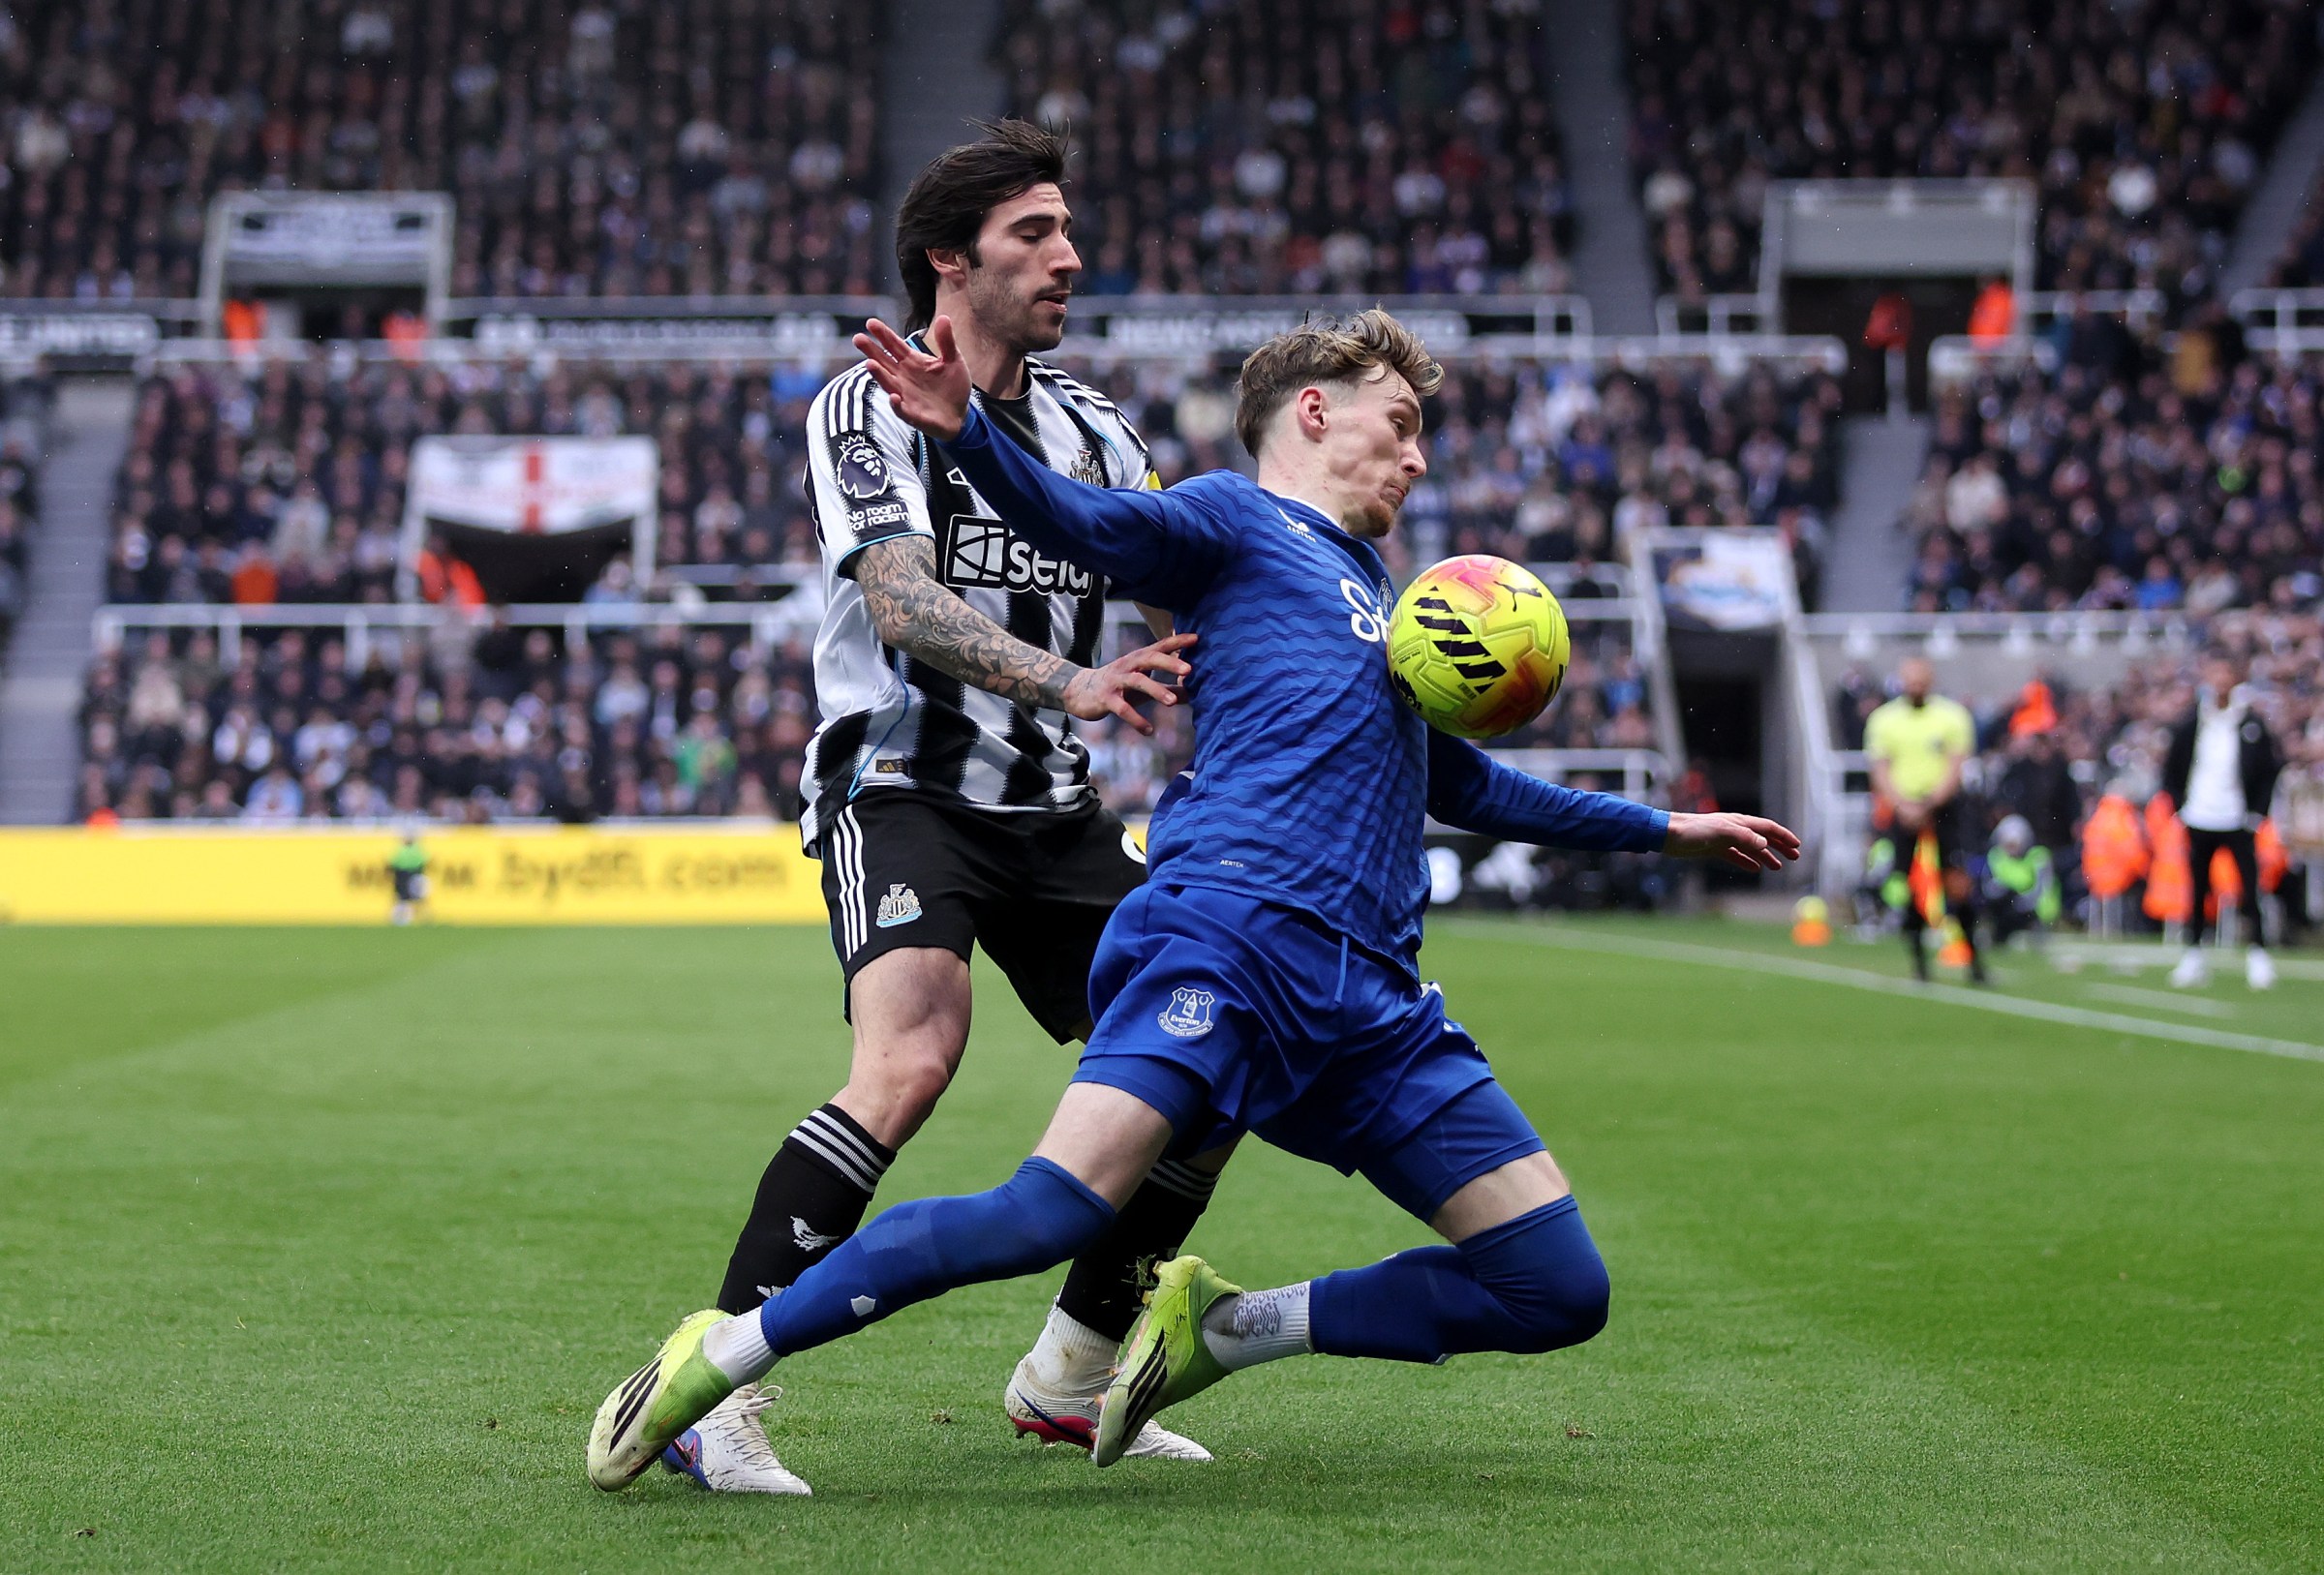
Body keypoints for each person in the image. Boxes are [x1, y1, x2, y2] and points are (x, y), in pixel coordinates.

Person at [585, 309, 1800, 1491]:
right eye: (1403, 421)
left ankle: (1224, 1330)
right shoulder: (1231, 519)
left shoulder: (1379, 597)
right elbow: (1082, 518)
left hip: (1371, 999)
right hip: (1224, 938)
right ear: (1315, 412)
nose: (1420, 453)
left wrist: (1666, 827)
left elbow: (1459, 777)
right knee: (1041, 1212)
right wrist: (966, 434)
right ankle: (723, 1354)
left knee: (1556, 1286)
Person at [670, 121, 1217, 1497]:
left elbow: (1185, 599)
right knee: (912, 1055)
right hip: (904, 784)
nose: (1069, 256)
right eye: (1034, 233)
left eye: (1068, 230)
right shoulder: (861, 402)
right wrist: (1069, 677)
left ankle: (1069, 1379)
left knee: (1209, 1056)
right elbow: (900, 600)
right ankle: (711, 1388)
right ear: (949, 257)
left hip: (1057, 807)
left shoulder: (1097, 429)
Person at [2161, 652, 2283, 989]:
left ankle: (2258, 955)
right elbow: (2172, 768)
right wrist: (2180, 808)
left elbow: (2269, 769)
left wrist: (2257, 812)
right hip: (2199, 816)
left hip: (2237, 818)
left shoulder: (2250, 723)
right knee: (2198, 889)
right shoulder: (2193, 722)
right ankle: (2193, 955)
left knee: (2249, 888)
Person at [1862, 656, 1984, 983]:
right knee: (1906, 887)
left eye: (1920, 681)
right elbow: (1881, 768)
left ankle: (1975, 962)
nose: (1915, 687)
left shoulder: (1951, 716)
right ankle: (1919, 965)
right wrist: (1903, 804)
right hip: (1903, 811)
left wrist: (1928, 803)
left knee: (1957, 884)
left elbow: (1956, 765)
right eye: (1909, 681)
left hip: (1944, 810)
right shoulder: (1884, 720)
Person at [387, 833, 430, 925]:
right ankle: (418, 916)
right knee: (417, 897)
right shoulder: (417, 850)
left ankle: (402, 918)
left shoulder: (401, 850)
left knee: (403, 897)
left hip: (402, 876)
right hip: (414, 874)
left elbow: (393, 863)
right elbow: (424, 862)